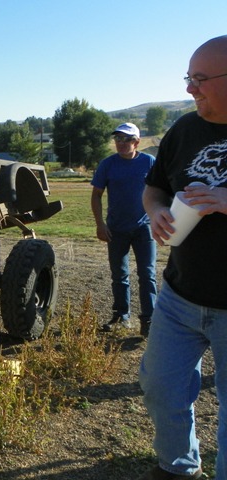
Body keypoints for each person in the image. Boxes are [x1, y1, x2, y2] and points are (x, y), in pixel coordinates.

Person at [139, 35, 227, 480]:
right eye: (188, 79)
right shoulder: (183, 130)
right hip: (179, 296)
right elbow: (155, 188)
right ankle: (177, 469)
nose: (191, 89)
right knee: (160, 389)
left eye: (200, 79)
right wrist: (155, 211)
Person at [91, 123, 157, 336]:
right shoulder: (108, 165)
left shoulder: (149, 162)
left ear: (136, 142)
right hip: (116, 229)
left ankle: (149, 320)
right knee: (119, 275)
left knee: (147, 274)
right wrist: (100, 224)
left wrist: (158, 216)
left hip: (144, 228)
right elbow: (96, 195)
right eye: (117, 139)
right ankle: (121, 316)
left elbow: (162, 190)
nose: (120, 143)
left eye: (126, 139)